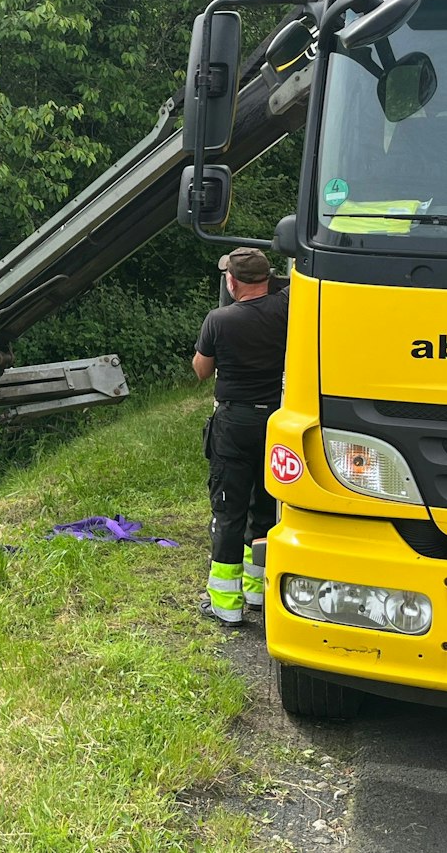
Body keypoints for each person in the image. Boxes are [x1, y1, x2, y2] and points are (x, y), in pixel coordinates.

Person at [192, 246, 289, 626]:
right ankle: (256, 590)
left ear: (231, 282)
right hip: (277, 421)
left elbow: (200, 370)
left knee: (228, 511)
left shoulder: (220, 320)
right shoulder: (288, 309)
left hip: (234, 423)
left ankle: (225, 605)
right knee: (264, 507)